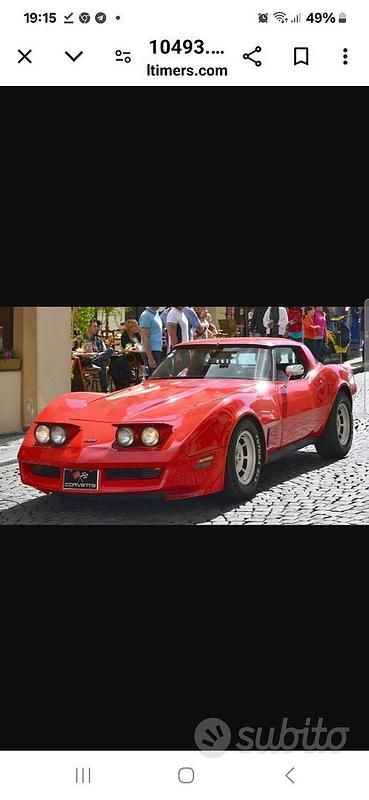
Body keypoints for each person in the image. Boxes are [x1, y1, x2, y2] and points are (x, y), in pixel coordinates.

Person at [81, 319, 114, 393]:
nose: (97, 328)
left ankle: (105, 391)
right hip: (86, 361)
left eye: (97, 326)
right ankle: (105, 391)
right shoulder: (82, 339)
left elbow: (105, 351)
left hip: (96, 361)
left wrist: (98, 355)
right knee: (103, 364)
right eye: (94, 326)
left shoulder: (98, 339)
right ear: (88, 327)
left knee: (110, 351)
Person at [139, 306, 164, 376]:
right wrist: (150, 358)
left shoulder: (156, 314)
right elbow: (144, 337)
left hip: (158, 350)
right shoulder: (145, 315)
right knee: (153, 377)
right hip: (151, 351)